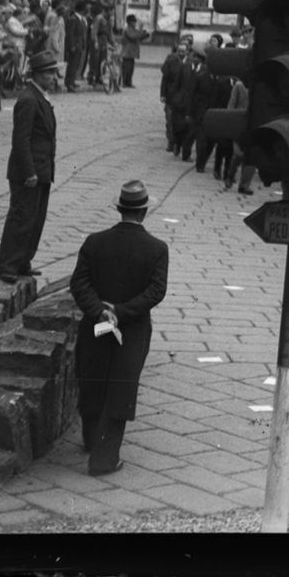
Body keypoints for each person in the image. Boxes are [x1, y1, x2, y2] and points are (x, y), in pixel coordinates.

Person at [70, 180, 169, 476]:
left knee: (92, 380)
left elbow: (79, 283)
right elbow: (156, 291)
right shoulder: (157, 249)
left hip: (95, 325)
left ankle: (90, 440)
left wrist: (100, 311)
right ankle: (103, 460)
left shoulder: (94, 241)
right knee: (120, 390)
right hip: (133, 329)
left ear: (119, 208)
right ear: (144, 211)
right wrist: (122, 312)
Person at [0, 51, 59, 282]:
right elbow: (21, 140)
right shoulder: (28, 99)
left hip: (42, 170)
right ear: (38, 75)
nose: (53, 77)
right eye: (49, 73)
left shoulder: (40, 96)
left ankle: (23, 262)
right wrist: (29, 171)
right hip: (29, 173)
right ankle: (7, 267)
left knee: (35, 220)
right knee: (21, 220)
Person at [119, 14, 150, 88]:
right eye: (134, 22)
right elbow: (134, 36)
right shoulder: (127, 29)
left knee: (131, 69)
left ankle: (128, 82)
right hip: (127, 52)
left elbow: (138, 36)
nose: (135, 23)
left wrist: (146, 34)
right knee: (126, 68)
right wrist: (142, 31)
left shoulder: (133, 29)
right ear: (130, 22)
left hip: (132, 53)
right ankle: (123, 83)